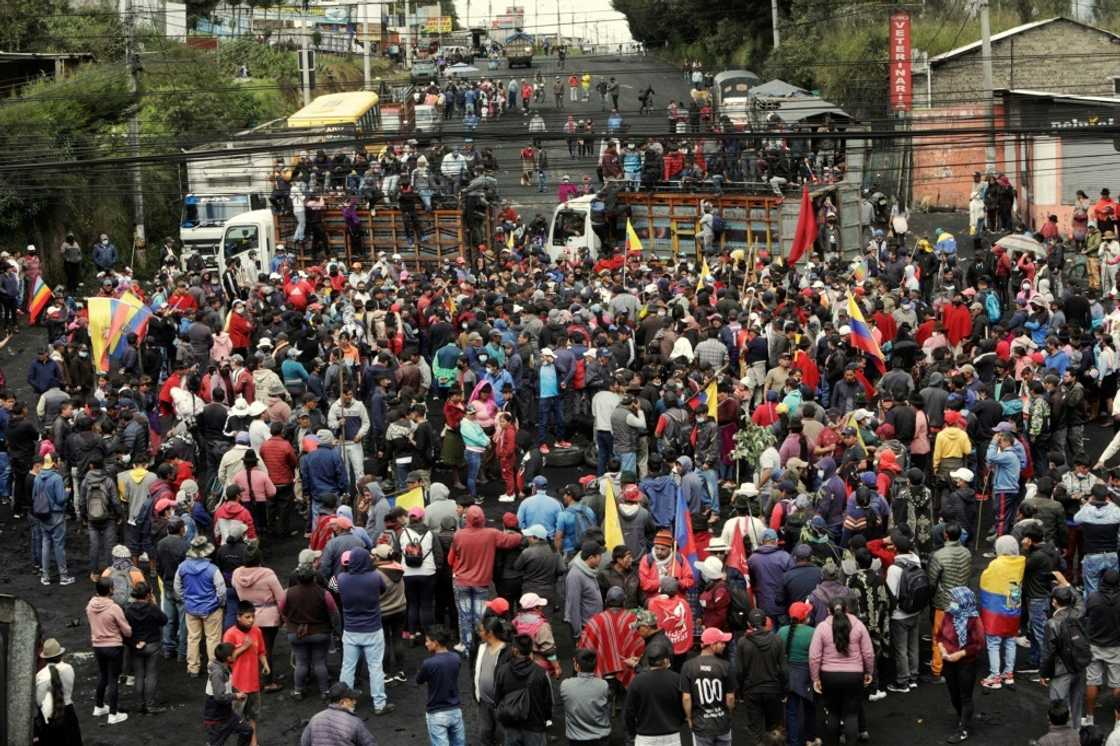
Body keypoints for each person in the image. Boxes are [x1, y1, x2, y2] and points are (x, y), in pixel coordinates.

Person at [337, 547, 395, 715]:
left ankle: (345, 705)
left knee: (347, 668)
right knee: (375, 667)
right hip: (372, 629)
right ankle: (379, 704)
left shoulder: (341, 578)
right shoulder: (375, 577)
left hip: (350, 630)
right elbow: (383, 590)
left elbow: (333, 589)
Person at [809, 598, 874, 745]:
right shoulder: (858, 626)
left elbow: (814, 656)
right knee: (851, 715)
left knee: (833, 713)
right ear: (847, 609)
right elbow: (868, 653)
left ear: (828, 611)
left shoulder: (822, 627)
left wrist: (815, 678)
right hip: (854, 675)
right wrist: (869, 672)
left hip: (829, 677)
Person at [936, 587, 985, 743]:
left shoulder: (974, 620)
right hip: (948, 662)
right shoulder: (949, 614)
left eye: (955, 600)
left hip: (966, 664)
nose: (952, 603)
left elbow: (978, 645)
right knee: (953, 694)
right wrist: (943, 650)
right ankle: (963, 718)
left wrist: (959, 654)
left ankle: (963, 729)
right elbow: (939, 636)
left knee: (965, 696)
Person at [176, 535, 227, 678]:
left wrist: (185, 600)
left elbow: (177, 587)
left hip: (191, 609)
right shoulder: (213, 569)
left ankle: (193, 668)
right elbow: (221, 591)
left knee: (193, 638)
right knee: (213, 639)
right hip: (211, 609)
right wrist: (220, 604)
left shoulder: (182, 567)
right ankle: (213, 668)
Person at [979, 535, 1025, 690]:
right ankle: (1008, 674)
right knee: (1011, 641)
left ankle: (995, 676)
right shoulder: (1020, 563)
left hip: (996, 611)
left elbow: (985, 579)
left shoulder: (996, 564)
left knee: (993, 643)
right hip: (1013, 607)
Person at [928, 521, 972, 682]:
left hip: (944, 601)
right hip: (960, 599)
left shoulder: (939, 555)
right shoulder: (967, 553)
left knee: (938, 637)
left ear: (946, 535)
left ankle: (937, 671)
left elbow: (932, 581)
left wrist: (931, 597)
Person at [86, 576, 132, 725]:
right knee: (113, 679)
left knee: (103, 675)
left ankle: (98, 706)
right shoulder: (114, 608)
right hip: (113, 646)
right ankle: (113, 714)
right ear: (111, 590)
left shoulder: (90, 606)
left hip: (97, 646)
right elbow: (127, 631)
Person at [222, 601, 269, 743]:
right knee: (235, 718)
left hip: (253, 683)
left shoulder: (257, 631)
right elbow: (228, 659)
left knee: (253, 716)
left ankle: (253, 742)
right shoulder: (230, 634)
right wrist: (245, 646)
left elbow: (261, 651)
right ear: (238, 617)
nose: (251, 620)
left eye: (252, 617)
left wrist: (265, 665)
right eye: (248, 617)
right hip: (237, 685)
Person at [1043, 584, 1089, 730]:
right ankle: (1075, 735)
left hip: (1061, 669)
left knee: (1058, 707)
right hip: (1080, 665)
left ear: (1054, 602)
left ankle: (1061, 738)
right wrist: (1069, 586)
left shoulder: (1052, 623)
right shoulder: (1079, 613)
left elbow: (1048, 653)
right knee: (1076, 703)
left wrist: (1044, 673)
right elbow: (1080, 599)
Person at [493, 633, 552, 746]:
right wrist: (546, 719)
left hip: (511, 726)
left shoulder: (503, 671)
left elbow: (497, 698)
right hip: (535, 727)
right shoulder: (540, 673)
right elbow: (547, 703)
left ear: (514, 650)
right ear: (530, 650)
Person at [682, 627, 737, 746]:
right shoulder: (726, 666)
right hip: (722, 724)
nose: (724, 645)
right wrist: (729, 715)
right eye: (721, 642)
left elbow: (686, 698)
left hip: (701, 725)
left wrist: (690, 719)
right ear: (712, 645)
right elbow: (730, 699)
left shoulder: (688, 666)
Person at [417, 625, 466, 746]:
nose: (426, 644)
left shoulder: (429, 663)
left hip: (436, 712)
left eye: (428, 641)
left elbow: (419, 680)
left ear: (436, 642)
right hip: (455, 710)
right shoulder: (456, 658)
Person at [125, 580, 169, 715]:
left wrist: (134, 642)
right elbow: (164, 620)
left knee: (138, 675)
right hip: (153, 645)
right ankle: (150, 704)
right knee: (151, 675)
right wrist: (154, 603)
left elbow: (125, 629)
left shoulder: (129, 609)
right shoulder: (152, 608)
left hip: (136, 646)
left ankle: (139, 704)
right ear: (148, 594)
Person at [778, 602, 817, 746]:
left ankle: (792, 742)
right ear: (806, 616)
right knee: (810, 709)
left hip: (788, 677)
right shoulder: (812, 632)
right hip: (807, 676)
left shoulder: (782, 631)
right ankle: (810, 739)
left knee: (791, 712)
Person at [1085, 569, 1120, 728]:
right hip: (1116, 646)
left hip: (1095, 644)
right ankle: (1118, 721)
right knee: (1117, 684)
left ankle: (1090, 717)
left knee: (1092, 681)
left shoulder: (1093, 598)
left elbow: (1086, 615)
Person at [204, 642, 255, 746]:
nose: (237, 653)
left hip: (227, 714)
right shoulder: (217, 673)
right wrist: (236, 696)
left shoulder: (223, 667)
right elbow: (219, 696)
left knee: (247, 730)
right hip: (217, 718)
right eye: (234, 653)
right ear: (228, 658)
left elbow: (226, 687)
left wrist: (235, 692)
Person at [34, 638, 82, 746]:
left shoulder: (40, 676)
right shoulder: (69, 668)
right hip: (69, 712)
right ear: (60, 655)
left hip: (50, 716)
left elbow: (39, 701)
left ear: (45, 658)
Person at [559, 648, 611, 746]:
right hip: (600, 739)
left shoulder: (565, 685)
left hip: (576, 739)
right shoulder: (603, 685)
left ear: (577, 666)